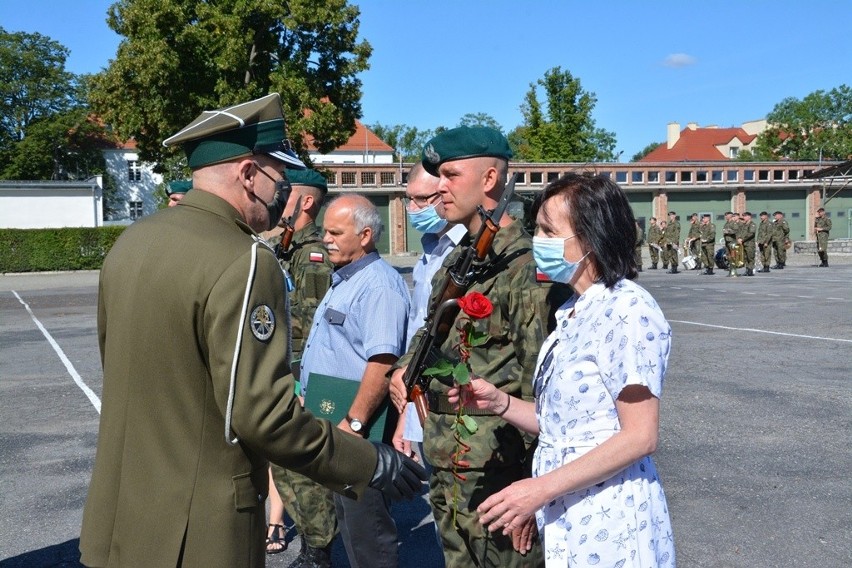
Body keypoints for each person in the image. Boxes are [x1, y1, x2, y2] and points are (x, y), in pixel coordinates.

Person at [79, 93, 426, 568]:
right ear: (247, 174)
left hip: (122, 514)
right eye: (278, 178)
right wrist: (368, 462)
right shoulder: (244, 260)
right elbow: (263, 416)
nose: (284, 194)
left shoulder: (130, 244)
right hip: (200, 526)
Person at [449, 172, 675, 568]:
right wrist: (500, 402)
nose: (537, 241)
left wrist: (538, 490)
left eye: (548, 231)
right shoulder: (573, 310)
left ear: (590, 238)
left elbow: (640, 436)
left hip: (610, 515)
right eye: (536, 229)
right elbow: (565, 427)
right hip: (567, 511)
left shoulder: (628, 311)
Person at [389, 126, 573, 568]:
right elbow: (430, 334)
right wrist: (402, 369)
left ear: (489, 180)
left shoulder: (525, 269)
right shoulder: (458, 262)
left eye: (451, 175)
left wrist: (535, 488)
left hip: (500, 473)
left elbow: (543, 388)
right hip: (450, 460)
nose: (439, 188)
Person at [299, 193, 411, 568]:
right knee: (349, 524)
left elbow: (382, 361)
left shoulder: (378, 285)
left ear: (365, 236)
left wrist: (356, 423)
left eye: (335, 232)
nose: (326, 239)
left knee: (369, 532)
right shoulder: (347, 277)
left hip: (360, 430)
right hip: (338, 421)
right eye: (325, 231)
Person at [262, 168, 338, 564]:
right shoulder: (287, 250)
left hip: (306, 374)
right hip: (285, 370)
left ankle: (318, 551)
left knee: (310, 469)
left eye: (284, 195)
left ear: (306, 202)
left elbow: (311, 324)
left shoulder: (315, 255)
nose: (276, 201)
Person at [393, 162, 467, 461]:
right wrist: (407, 418)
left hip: (449, 401)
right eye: (409, 198)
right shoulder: (430, 249)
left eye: (422, 199)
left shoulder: (465, 253)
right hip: (418, 396)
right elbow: (420, 334)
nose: (412, 208)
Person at [738, 212, 757, 276]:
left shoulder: (752, 224)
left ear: (749, 217)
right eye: (743, 216)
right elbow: (741, 233)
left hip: (749, 244)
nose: (744, 217)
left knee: (750, 258)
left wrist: (742, 239)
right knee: (745, 258)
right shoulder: (744, 225)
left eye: (745, 216)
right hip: (744, 244)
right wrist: (739, 238)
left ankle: (750, 271)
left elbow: (751, 234)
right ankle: (747, 270)